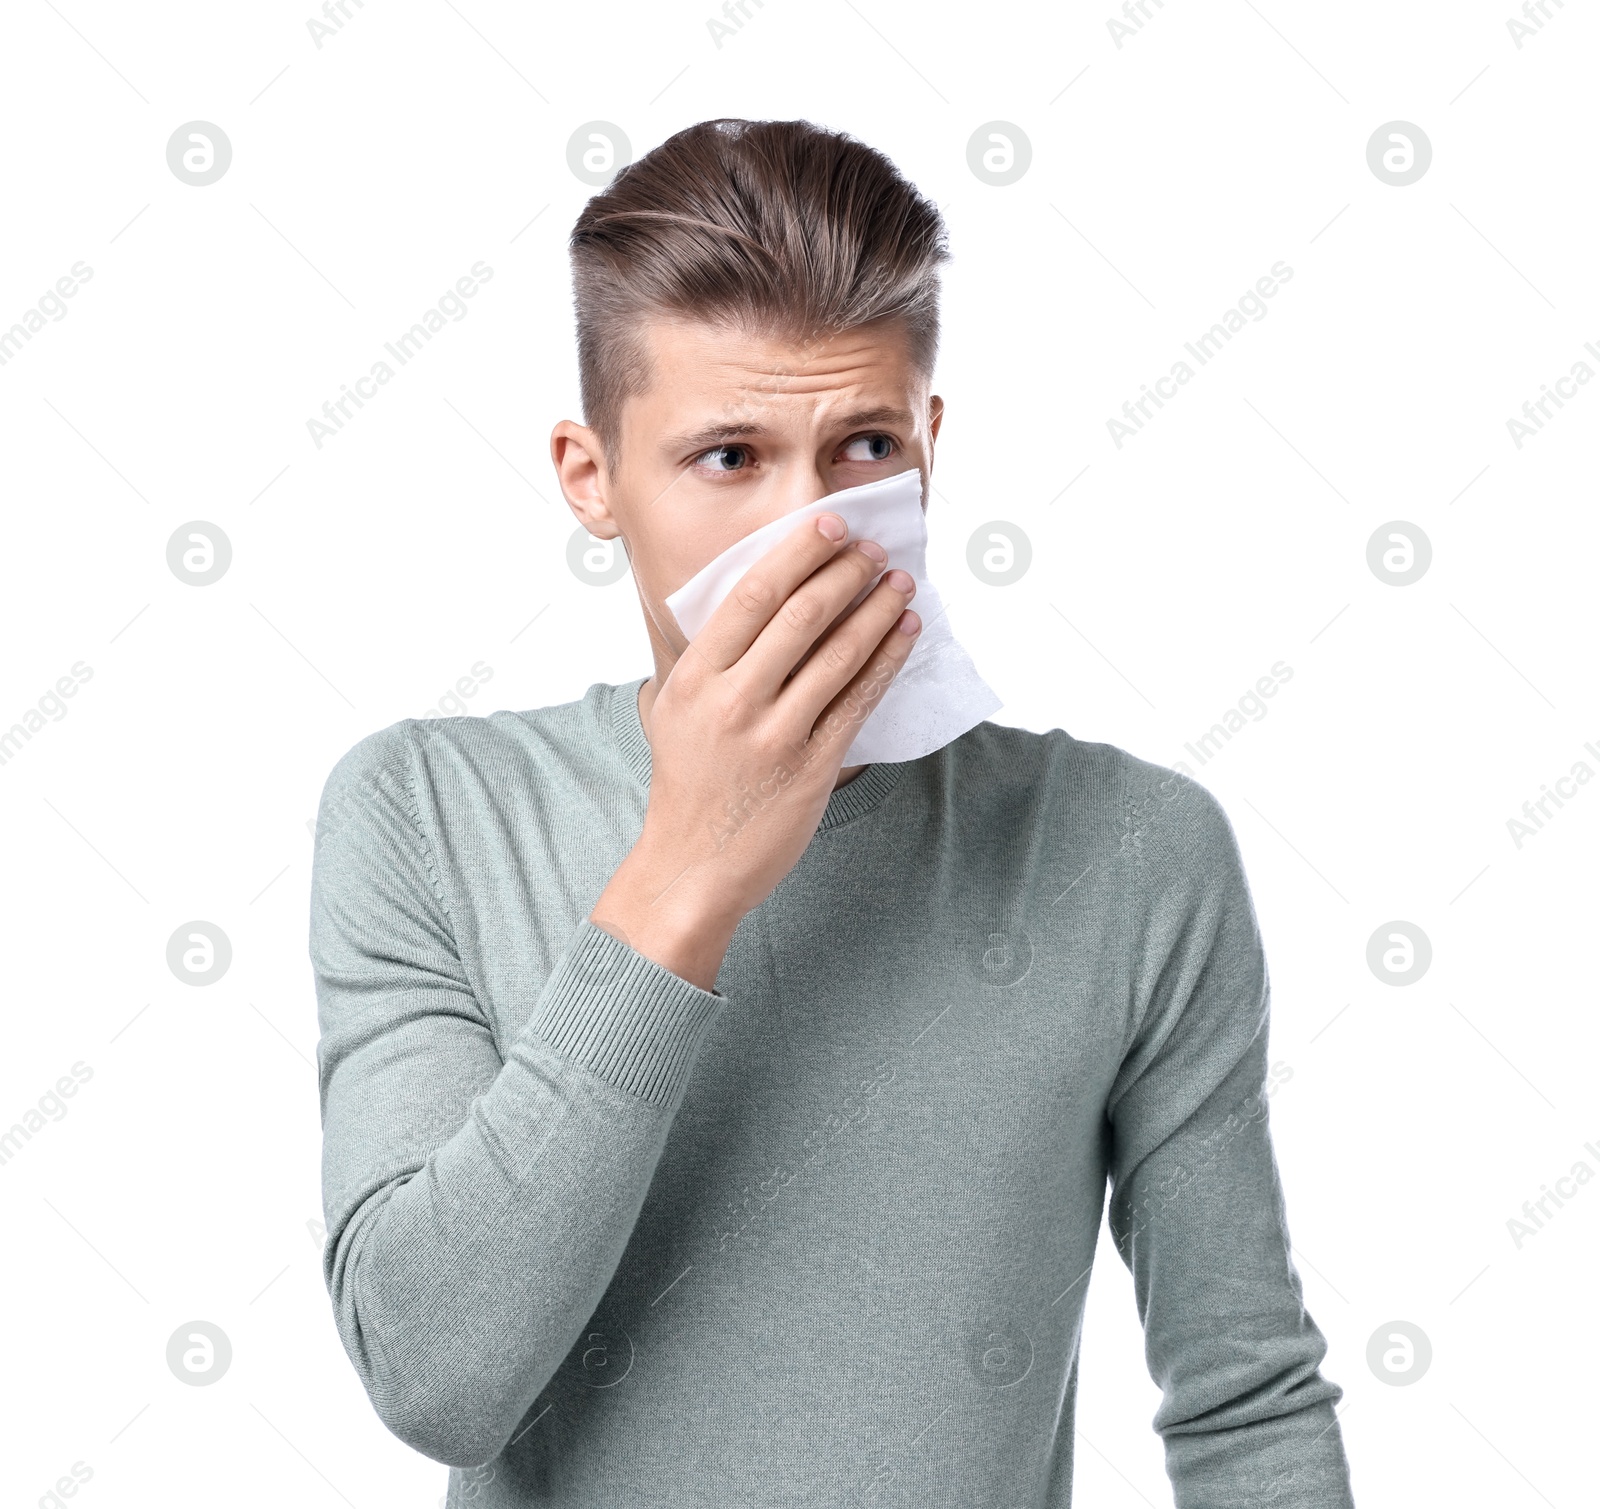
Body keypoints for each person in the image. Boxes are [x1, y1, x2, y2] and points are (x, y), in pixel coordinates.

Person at [310, 116, 1355, 1507]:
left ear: (931, 444)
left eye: (861, 445)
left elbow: (1246, 1406)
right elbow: (437, 1374)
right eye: (730, 457)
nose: (813, 534)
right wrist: (686, 872)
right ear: (592, 476)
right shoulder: (428, 814)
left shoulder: (1133, 850)